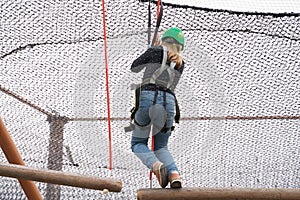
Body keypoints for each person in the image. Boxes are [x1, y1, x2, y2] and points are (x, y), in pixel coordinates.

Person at [130, 27, 185, 188]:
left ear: (164, 41)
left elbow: (135, 67)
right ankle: (174, 174)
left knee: (138, 143)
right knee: (161, 146)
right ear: (180, 47)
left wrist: (150, 50)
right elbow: (170, 84)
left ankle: (156, 166)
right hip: (168, 103)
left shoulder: (155, 51)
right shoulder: (181, 64)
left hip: (148, 98)